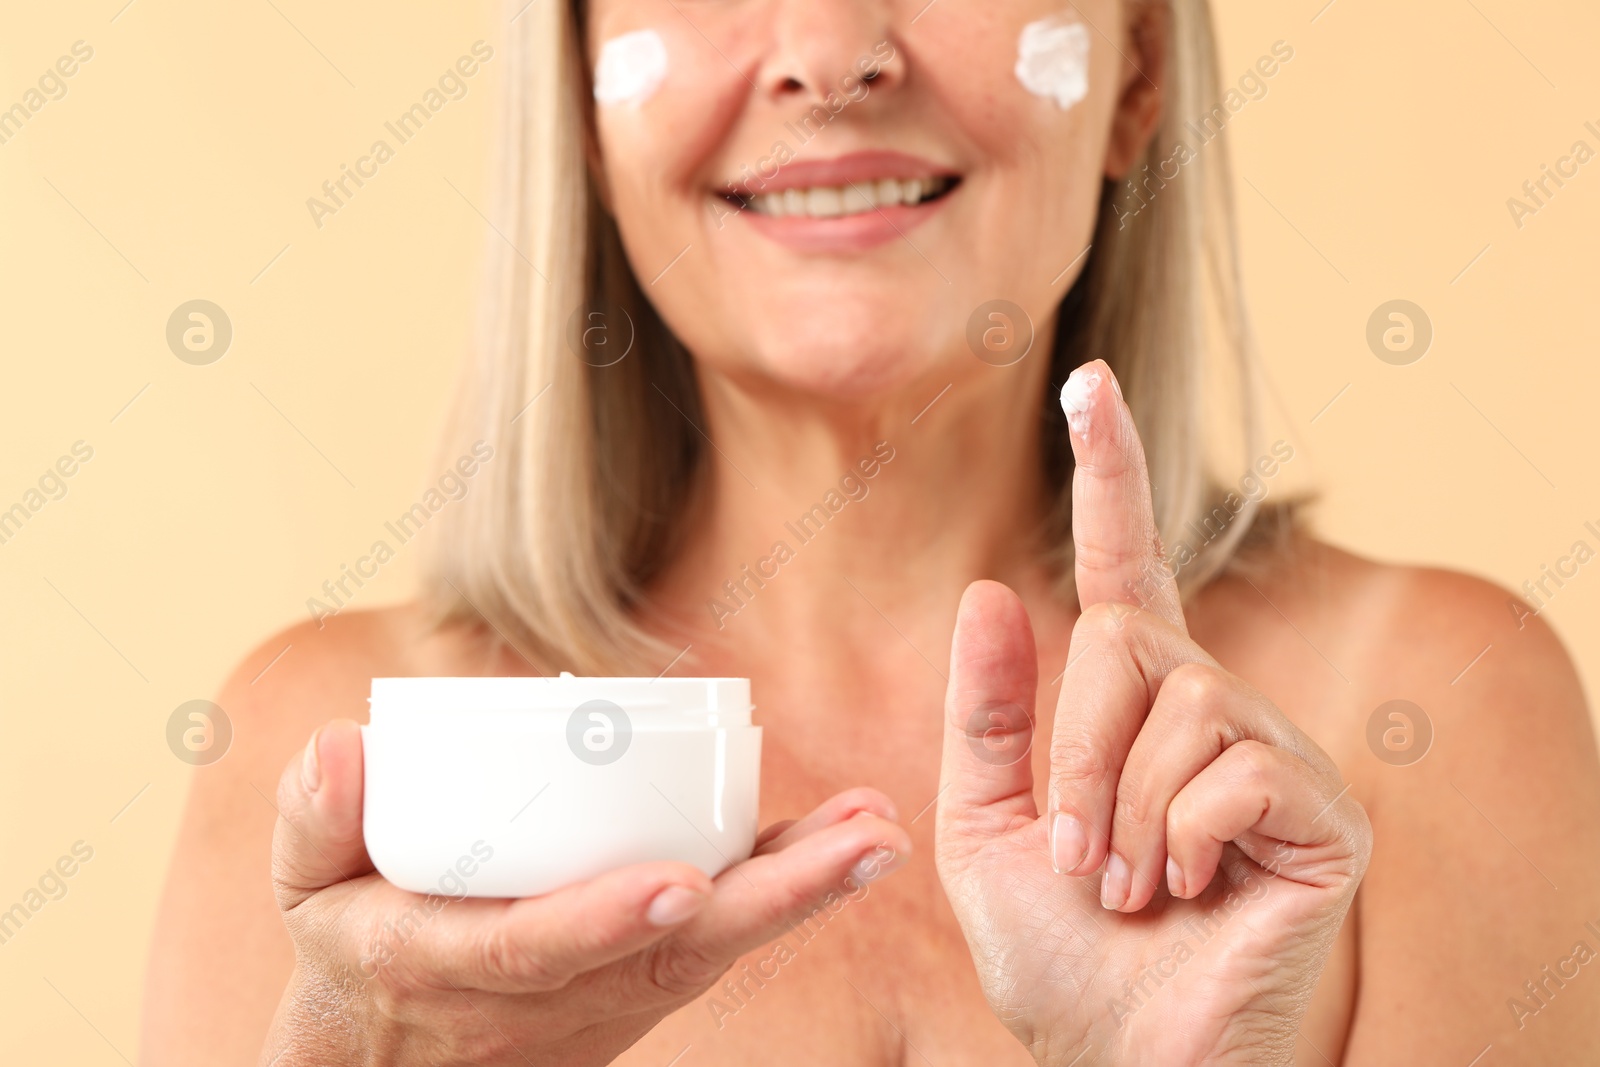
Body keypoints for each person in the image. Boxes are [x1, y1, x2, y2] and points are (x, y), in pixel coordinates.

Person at [142, 1, 1600, 1063]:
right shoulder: (341, 758)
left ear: (1140, 63)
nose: (832, 50)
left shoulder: (1436, 706)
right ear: (581, 92)